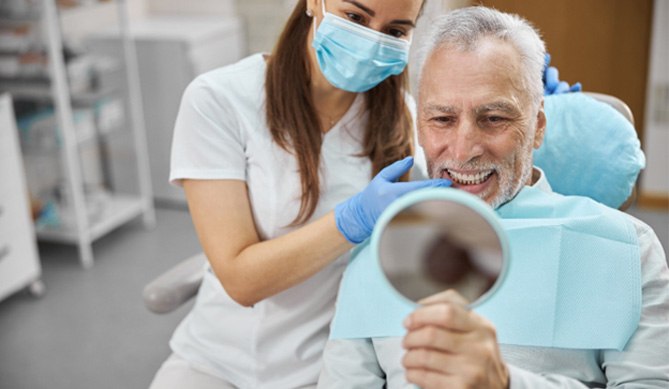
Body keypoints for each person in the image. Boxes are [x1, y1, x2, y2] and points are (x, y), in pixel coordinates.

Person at [318, 6, 669, 389]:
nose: (464, 149)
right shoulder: (379, 247)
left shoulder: (626, 250)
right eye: (442, 119)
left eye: (494, 118)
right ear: (420, 128)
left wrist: (503, 382)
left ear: (537, 126)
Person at [148, 0, 456, 387]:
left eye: (395, 32)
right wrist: (352, 220)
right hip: (219, 362)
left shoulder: (404, 121)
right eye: (355, 17)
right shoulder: (220, 99)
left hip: (332, 369)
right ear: (314, 3)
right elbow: (242, 281)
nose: (371, 40)